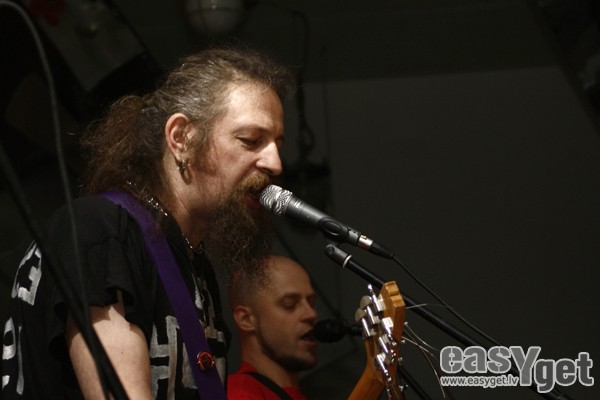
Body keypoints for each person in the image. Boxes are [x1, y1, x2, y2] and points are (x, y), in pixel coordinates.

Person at [1, 46, 295, 399]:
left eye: (277, 143)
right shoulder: (100, 231)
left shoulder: (191, 261)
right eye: (251, 140)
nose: (275, 163)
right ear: (181, 138)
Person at [227, 254, 318, 400]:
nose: (311, 314)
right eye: (289, 304)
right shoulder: (240, 395)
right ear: (246, 319)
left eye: (311, 303)